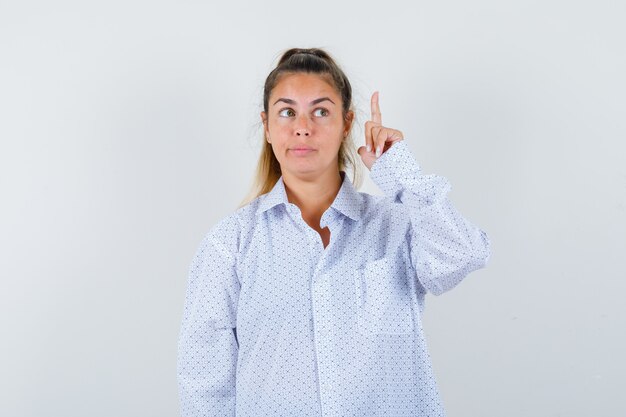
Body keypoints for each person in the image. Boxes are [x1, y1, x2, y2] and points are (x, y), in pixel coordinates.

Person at [177, 47, 491, 417]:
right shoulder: (230, 243)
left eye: (321, 111)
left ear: (347, 123)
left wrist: (401, 173)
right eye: (287, 112)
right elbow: (205, 383)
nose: (303, 127)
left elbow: (462, 256)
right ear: (267, 125)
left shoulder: (397, 224)